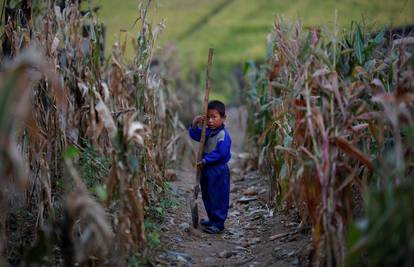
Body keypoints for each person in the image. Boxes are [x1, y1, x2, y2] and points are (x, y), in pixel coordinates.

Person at [188, 100, 232, 234]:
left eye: (214, 117)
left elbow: (221, 153)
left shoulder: (223, 135)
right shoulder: (207, 132)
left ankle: (218, 223)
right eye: (208, 117)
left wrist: (206, 160)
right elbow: (195, 135)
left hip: (217, 170)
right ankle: (212, 219)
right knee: (207, 194)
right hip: (206, 168)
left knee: (218, 195)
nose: (210, 121)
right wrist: (195, 124)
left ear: (223, 118)